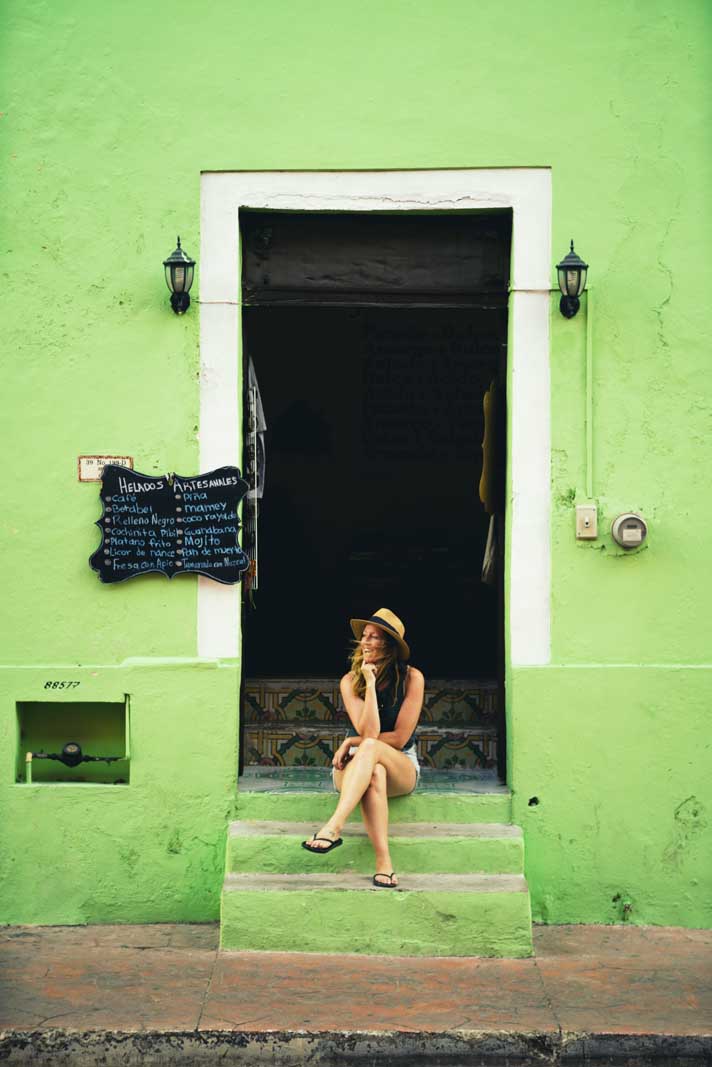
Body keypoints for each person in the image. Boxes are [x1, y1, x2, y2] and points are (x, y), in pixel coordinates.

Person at [301, 608, 425, 888]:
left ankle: (333, 826)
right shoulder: (350, 680)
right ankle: (385, 864)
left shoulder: (412, 678)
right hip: (357, 766)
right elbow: (369, 731)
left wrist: (352, 741)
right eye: (364, 637)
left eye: (375, 638)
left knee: (373, 753)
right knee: (374, 773)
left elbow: (401, 737)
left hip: (400, 763)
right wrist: (369, 684)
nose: (365, 642)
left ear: (390, 646)